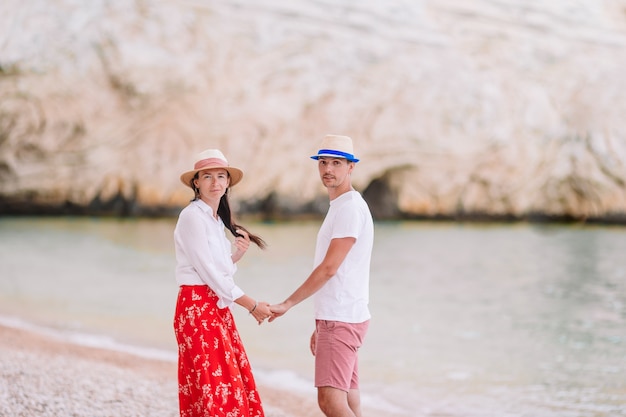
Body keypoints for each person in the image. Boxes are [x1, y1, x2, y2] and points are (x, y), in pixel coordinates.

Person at [269, 135, 374, 417]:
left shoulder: (349, 208)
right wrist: (320, 322)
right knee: (349, 399)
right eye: (323, 162)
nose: (328, 169)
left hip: (341, 317)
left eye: (337, 163)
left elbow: (330, 268)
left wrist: (287, 303)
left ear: (351, 167)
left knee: (330, 401)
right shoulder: (343, 206)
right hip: (345, 315)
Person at [173, 148, 271, 417]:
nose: (215, 183)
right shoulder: (192, 216)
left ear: (228, 182)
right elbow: (209, 275)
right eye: (207, 176)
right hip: (196, 307)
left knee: (226, 380)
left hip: (214, 306)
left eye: (221, 176)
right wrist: (251, 305)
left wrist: (235, 255)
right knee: (212, 383)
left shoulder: (215, 221)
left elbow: (217, 270)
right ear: (196, 182)